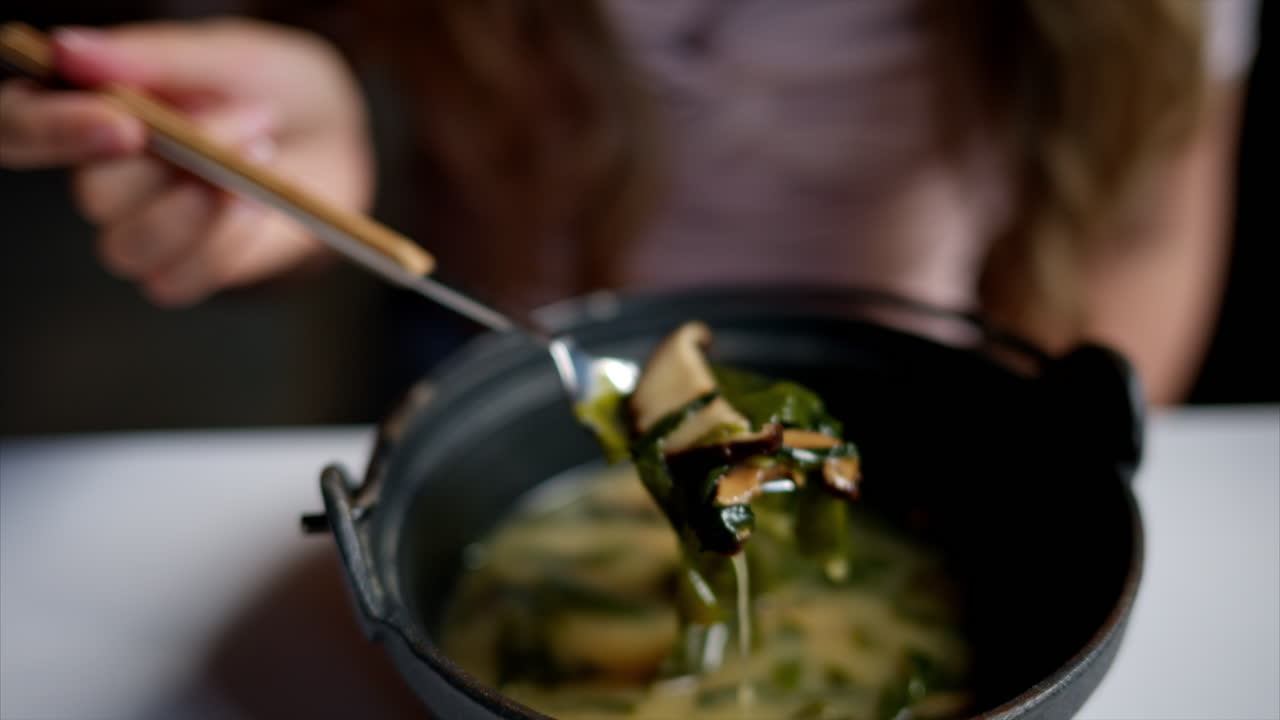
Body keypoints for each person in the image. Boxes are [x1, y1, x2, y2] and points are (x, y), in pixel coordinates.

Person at [0, 0, 1257, 406]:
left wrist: (1041, 454)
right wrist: (288, 162)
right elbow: (317, 129)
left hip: (931, 372)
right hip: (490, 342)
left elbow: (1144, 232)